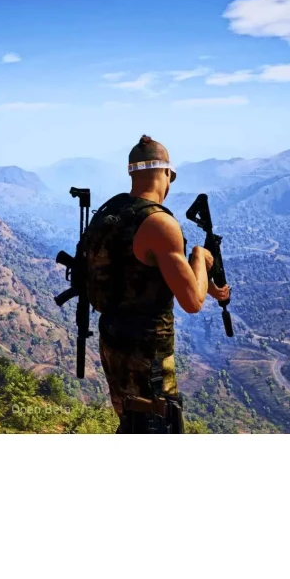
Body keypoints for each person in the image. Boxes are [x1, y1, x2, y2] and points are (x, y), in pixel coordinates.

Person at [83, 134, 231, 433]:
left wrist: (207, 282)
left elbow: (135, 272)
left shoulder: (112, 211)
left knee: (131, 422)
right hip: (148, 356)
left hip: (113, 343)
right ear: (166, 173)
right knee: (158, 426)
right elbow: (192, 302)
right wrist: (199, 256)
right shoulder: (160, 223)